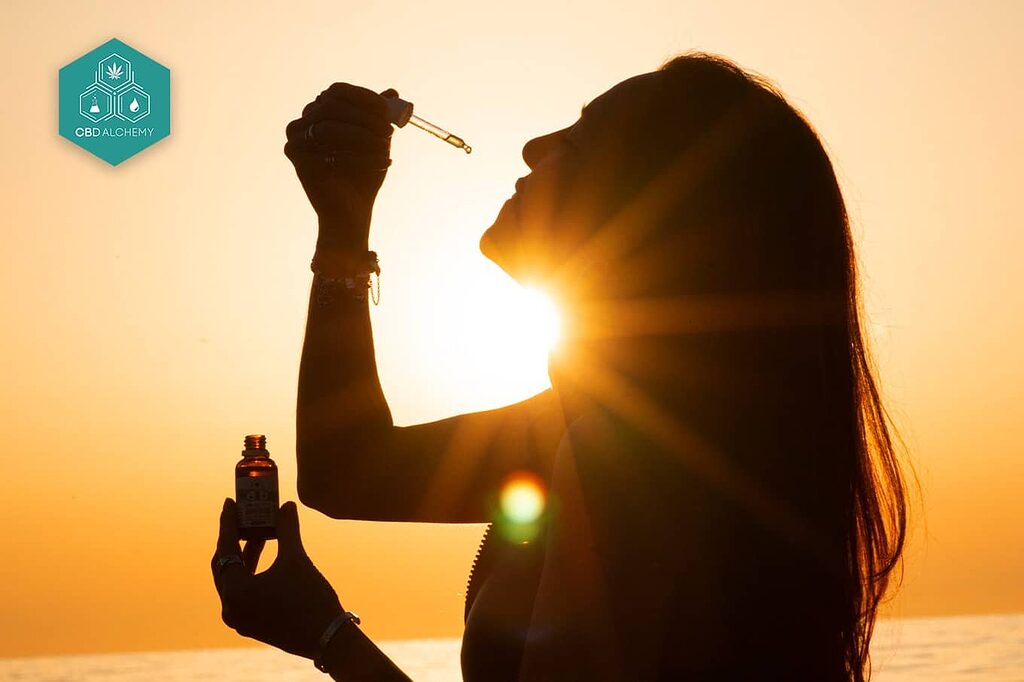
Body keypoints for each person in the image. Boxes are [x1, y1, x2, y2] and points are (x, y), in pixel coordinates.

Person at [211, 51, 911, 681]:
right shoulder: (636, 430)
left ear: (648, 212)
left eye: (576, 140)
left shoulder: (624, 456)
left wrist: (329, 636)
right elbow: (351, 470)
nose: (532, 146)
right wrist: (342, 229)